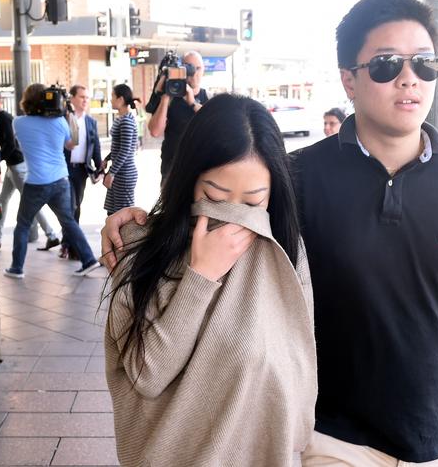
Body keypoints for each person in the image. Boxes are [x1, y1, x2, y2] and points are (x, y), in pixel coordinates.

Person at [102, 0, 438, 466]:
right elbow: (215, 210)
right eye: (385, 64)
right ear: (349, 80)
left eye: (424, 64)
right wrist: (133, 225)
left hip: (436, 441)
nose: (408, 79)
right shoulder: (293, 180)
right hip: (328, 441)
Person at [103, 93, 316, 466]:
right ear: (189, 180)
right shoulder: (140, 246)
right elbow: (147, 375)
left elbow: (296, 363)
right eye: (214, 196)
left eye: (252, 203)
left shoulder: (282, 251)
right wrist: (200, 276)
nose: (234, 216)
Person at [3, 83, 100, 279]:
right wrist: (69, 116)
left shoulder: (18, 123)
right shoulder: (60, 122)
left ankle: (17, 268)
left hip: (36, 183)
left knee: (22, 224)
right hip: (60, 181)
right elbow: (72, 145)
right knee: (68, 222)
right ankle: (89, 260)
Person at [0, 88, 60, 252]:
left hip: (18, 167)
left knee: (31, 203)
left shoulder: (4, 118)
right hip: (12, 167)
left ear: (0, 101)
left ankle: (52, 235)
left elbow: (10, 145)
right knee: (2, 201)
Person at [146, 50, 209, 181]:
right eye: (189, 68)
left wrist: (192, 103)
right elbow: (155, 131)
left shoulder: (208, 98)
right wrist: (165, 98)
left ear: (203, 70)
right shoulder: (170, 97)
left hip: (200, 169)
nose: (194, 73)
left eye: (198, 68)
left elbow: (214, 123)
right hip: (172, 169)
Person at [59, 84, 103, 259]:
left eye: (87, 97)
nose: (85, 100)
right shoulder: (63, 119)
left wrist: (99, 168)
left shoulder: (90, 122)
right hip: (64, 168)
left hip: (81, 171)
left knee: (76, 207)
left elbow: (96, 147)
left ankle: (67, 243)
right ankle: (71, 246)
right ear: (72, 99)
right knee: (71, 206)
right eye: (82, 97)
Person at [103, 84, 138, 215]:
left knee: (123, 216)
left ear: (121, 99)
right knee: (112, 213)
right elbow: (118, 148)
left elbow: (125, 150)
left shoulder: (127, 121)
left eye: (112, 96)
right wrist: (107, 159)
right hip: (119, 173)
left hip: (124, 174)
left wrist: (111, 173)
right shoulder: (122, 119)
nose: (110, 99)